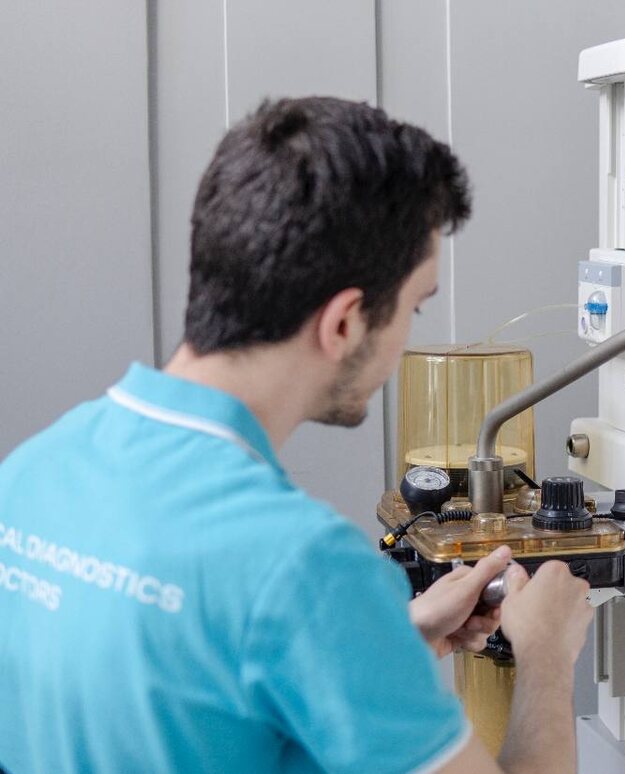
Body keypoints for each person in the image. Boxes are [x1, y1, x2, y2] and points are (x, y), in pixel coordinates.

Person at [0, 97, 594, 773]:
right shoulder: (306, 567)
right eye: (415, 308)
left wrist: (378, 644)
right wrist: (546, 653)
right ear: (344, 323)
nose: (407, 337)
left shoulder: (34, 471)